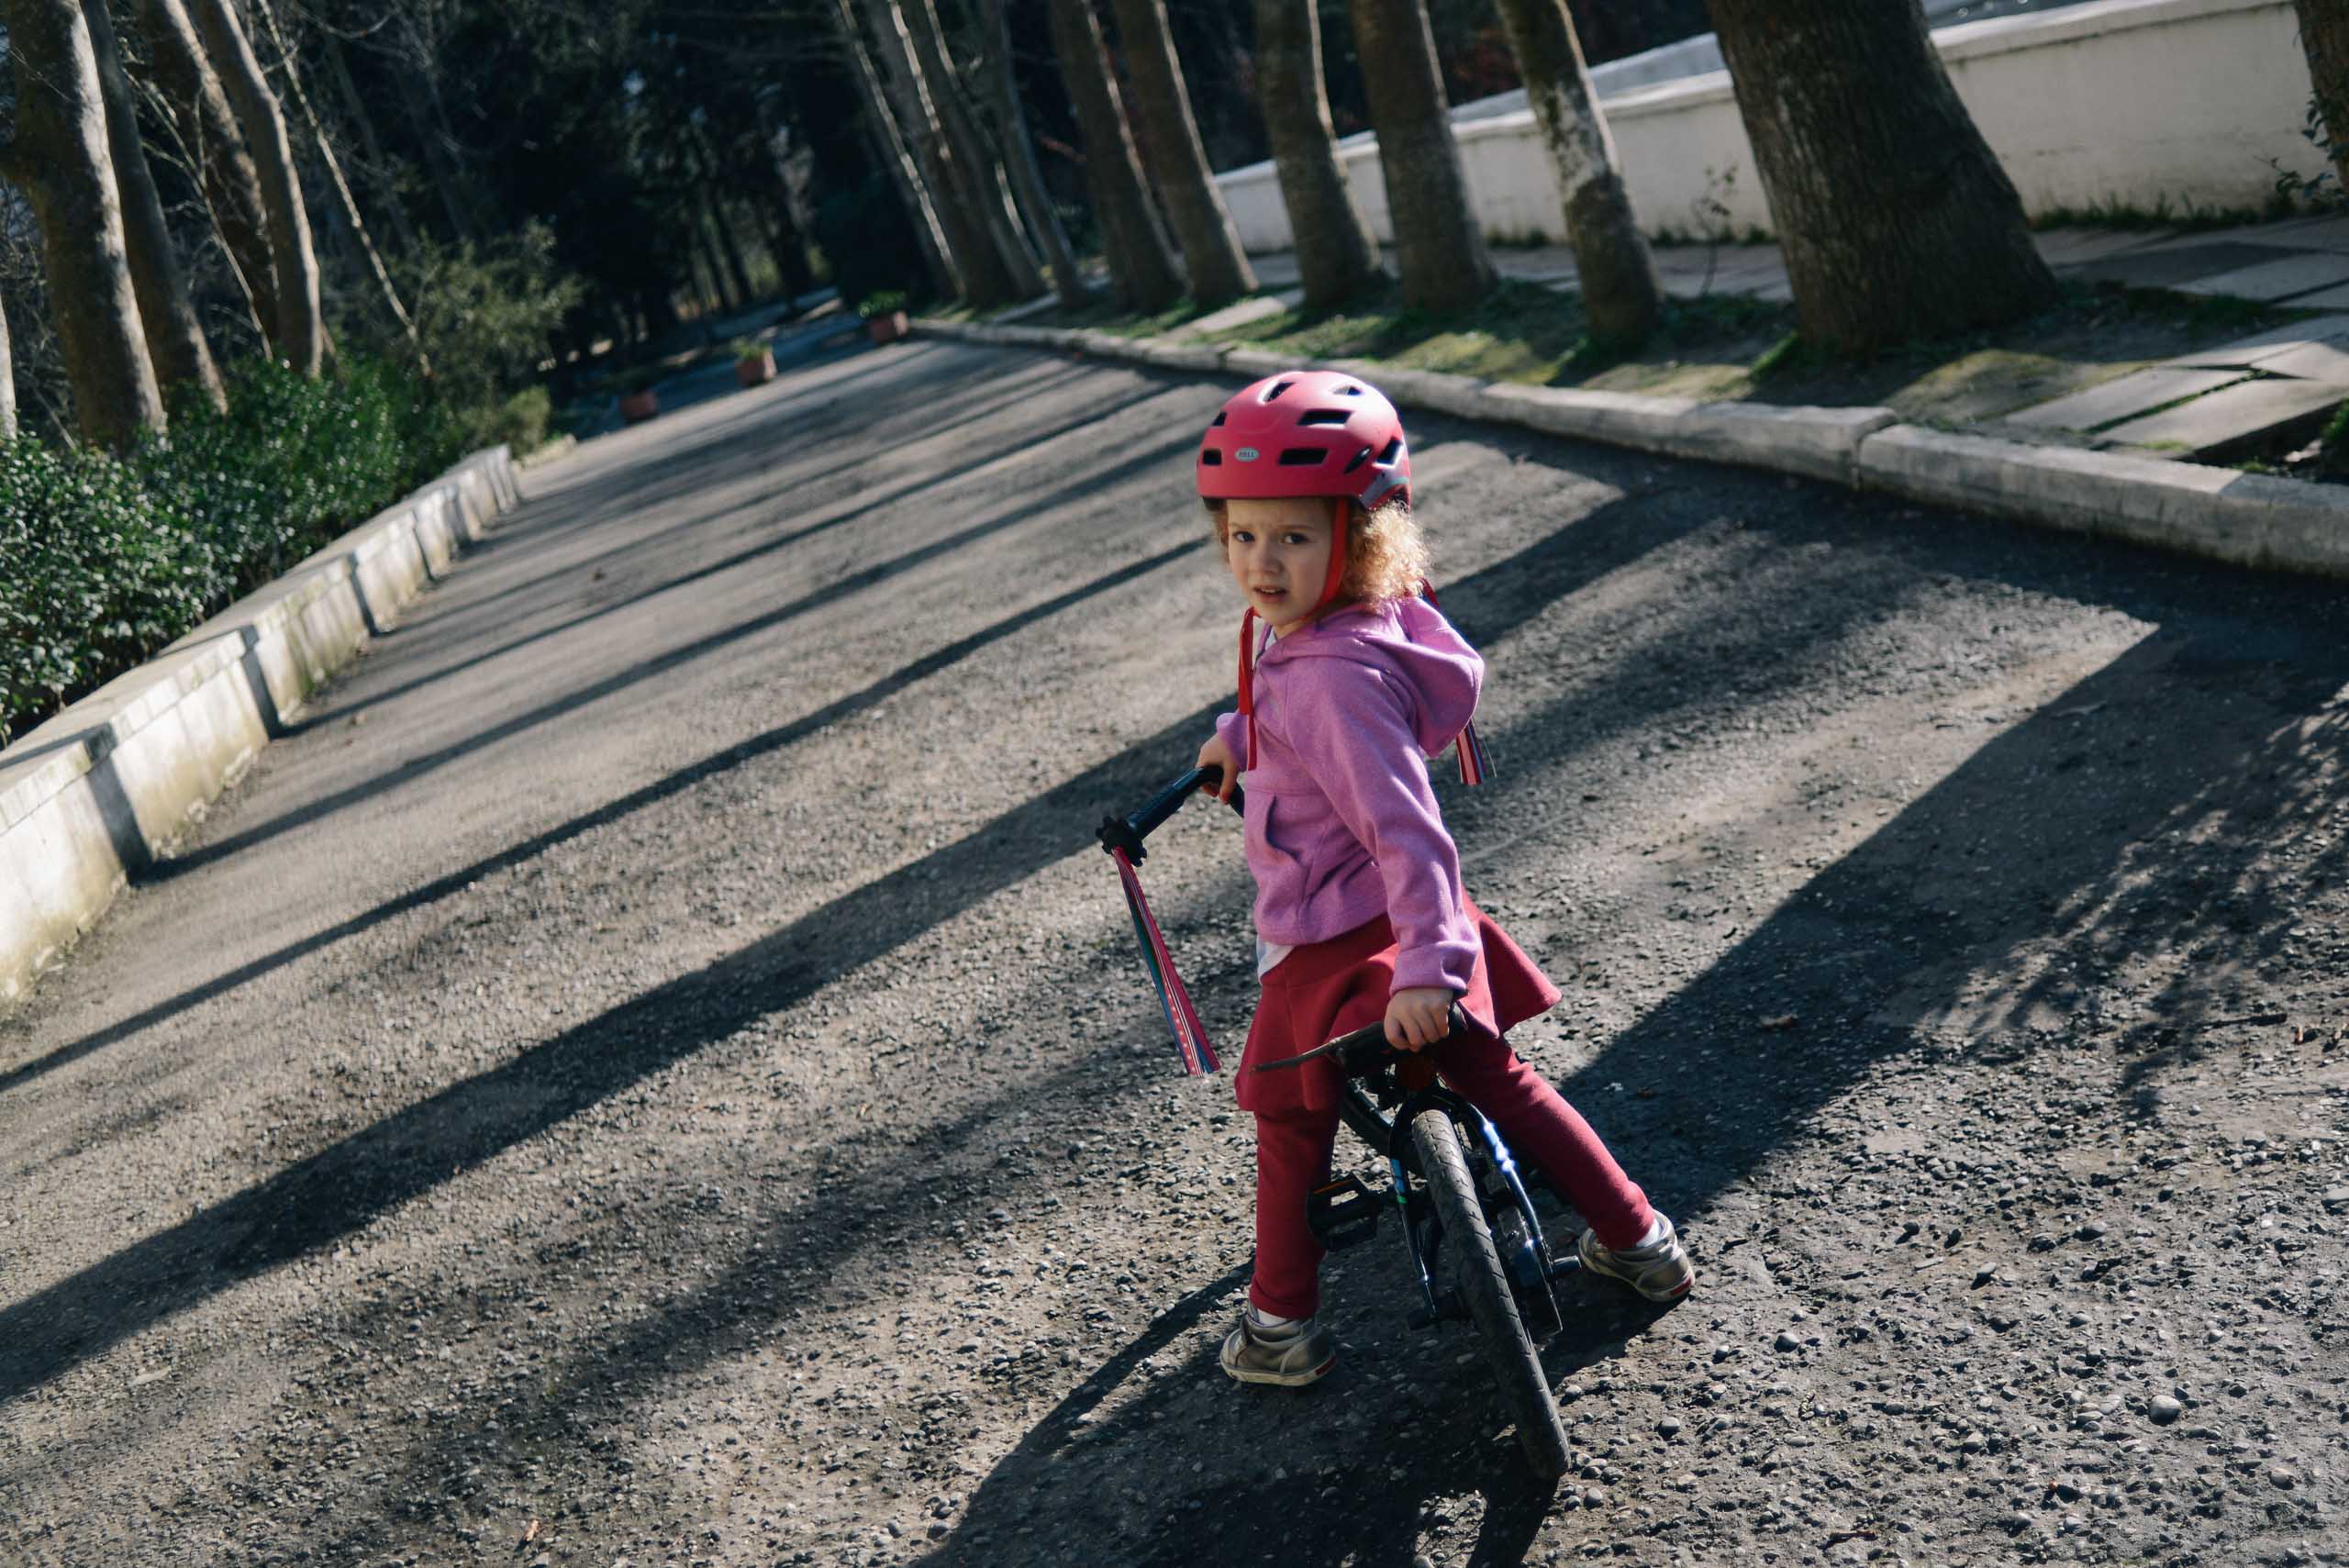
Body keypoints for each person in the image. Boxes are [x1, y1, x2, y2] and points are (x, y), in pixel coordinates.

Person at [1192, 370, 1693, 1388]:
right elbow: (1311, 709)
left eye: (1293, 536)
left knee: (1291, 1123)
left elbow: (1403, 824)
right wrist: (1241, 735)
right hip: (1408, 926)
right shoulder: (1364, 620)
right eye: (1242, 534)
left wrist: (1427, 966)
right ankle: (1640, 1239)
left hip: (1346, 942)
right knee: (1501, 1078)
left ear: (1361, 534)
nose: (1261, 562)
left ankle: (1280, 1325)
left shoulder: (1325, 677)